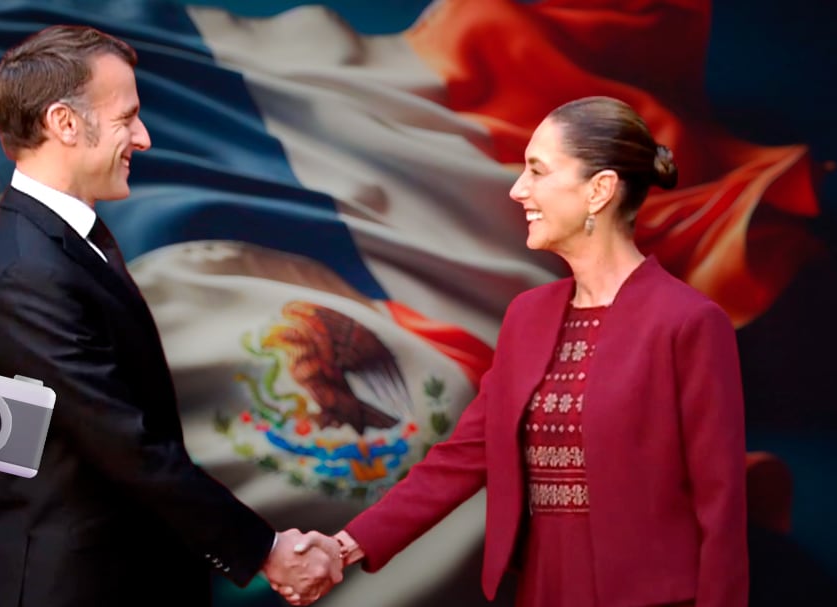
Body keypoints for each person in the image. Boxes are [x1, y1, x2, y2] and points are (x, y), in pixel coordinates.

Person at [0, 25, 340, 607]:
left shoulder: (51, 243)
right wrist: (263, 549)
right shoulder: (27, 271)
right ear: (64, 123)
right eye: (127, 117)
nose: (144, 137)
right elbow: (123, 444)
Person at [320, 96, 749, 606]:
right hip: (541, 589)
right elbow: (462, 457)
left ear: (599, 190)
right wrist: (342, 548)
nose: (518, 189)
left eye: (537, 171)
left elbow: (722, 509)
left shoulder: (690, 322)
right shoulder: (528, 316)